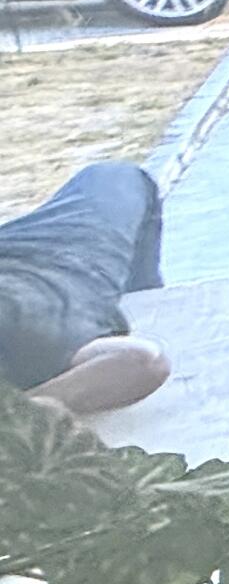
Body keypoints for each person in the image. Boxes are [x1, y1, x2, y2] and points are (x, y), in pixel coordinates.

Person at [0, 162, 171, 414]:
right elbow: (145, 362)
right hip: (54, 251)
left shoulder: (34, 339)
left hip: (59, 262)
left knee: (119, 176)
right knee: (118, 176)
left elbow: (145, 363)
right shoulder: (37, 343)